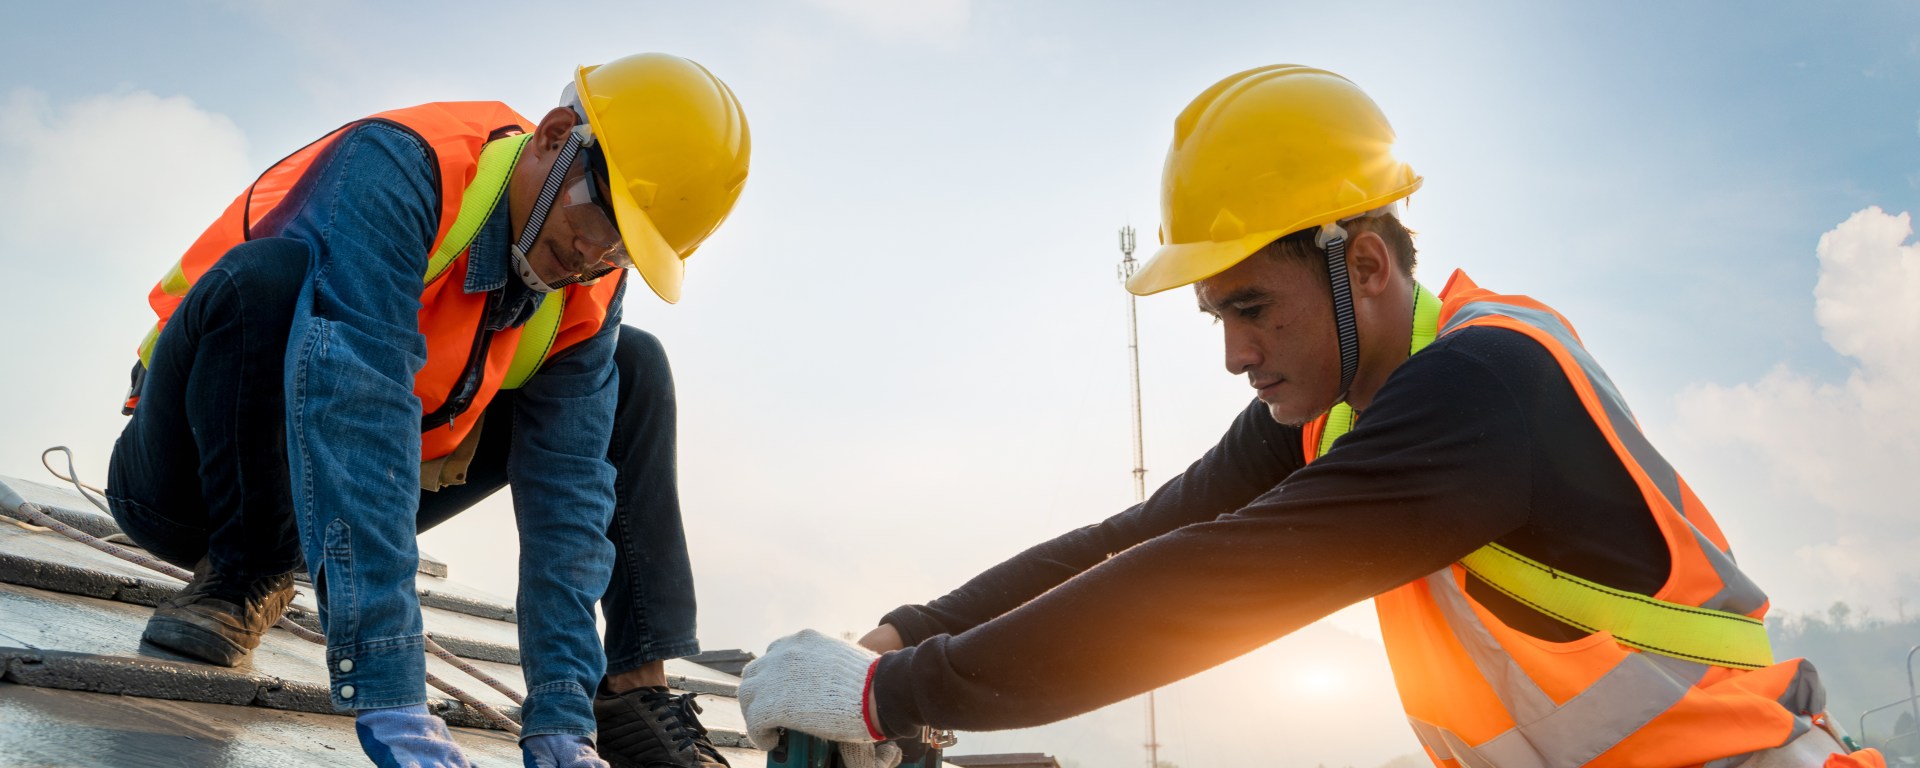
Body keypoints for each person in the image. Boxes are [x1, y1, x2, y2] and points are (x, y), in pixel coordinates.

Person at [737, 65, 1888, 768]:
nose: (1235, 354)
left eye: (1253, 309)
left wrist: (891, 700)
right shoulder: (1336, 406)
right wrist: (897, 635)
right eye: (1215, 318)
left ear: (1368, 266)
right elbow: (1135, 542)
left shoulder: (1484, 390)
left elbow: (1209, 586)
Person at [106, 53, 750, 768]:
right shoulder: (405, 168)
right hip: (188, 481)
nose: (596, 259)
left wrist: (561, 714)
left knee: (635, 367)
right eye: (602, 223)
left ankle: (626, 693)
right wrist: (389, 688)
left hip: (337, 504)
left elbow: (570, 492)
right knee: (268, 281)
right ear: (554, 136)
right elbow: (359, 403)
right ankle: (242, 576)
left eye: (627, 251)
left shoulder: (593, 279)